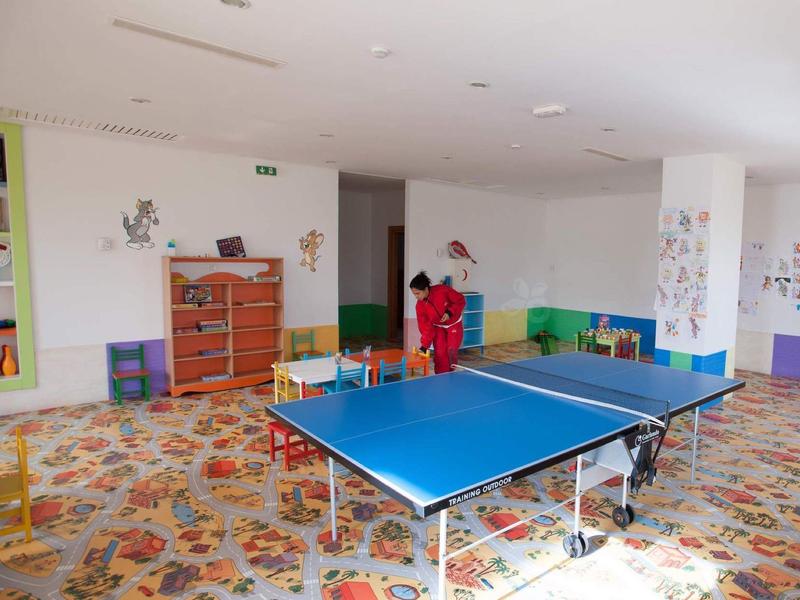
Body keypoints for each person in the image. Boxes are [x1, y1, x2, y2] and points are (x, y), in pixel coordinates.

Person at [410, 270, 466, 374]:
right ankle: (440, 377)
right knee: (440, 353)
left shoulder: (442, 290)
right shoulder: (420, 306)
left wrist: (449, 312)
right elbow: (426, 327)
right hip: (438, 327)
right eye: (414, 294)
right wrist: (424, 346)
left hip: (454, 324)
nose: (416, 297)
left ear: (426, 289)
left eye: (418, 293)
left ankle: (452, 372)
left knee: (451, 349)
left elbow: (460, 300)